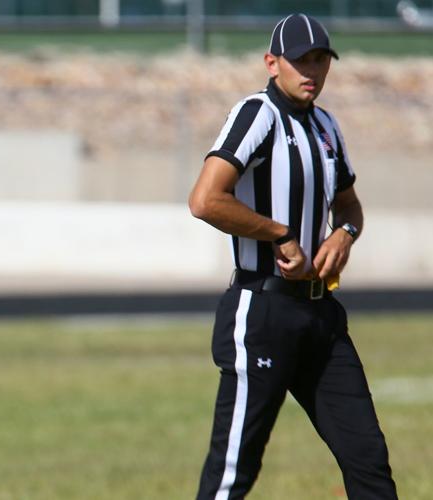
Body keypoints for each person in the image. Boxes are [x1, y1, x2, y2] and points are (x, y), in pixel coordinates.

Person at [188, 14, 397, 499]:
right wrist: (278, 233)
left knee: (368, 460)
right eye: (300, 59)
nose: (312, 70)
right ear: (271, 62)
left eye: (321, 59)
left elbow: (349, 205)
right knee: (233, 470)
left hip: (320, 315)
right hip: (263, 310)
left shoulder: (325, 126)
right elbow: (205, 200)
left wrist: (344, 233)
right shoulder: (257, 114)